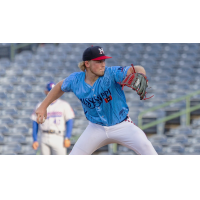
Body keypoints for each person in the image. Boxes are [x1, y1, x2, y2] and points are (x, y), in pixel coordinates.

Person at [35, 46, 158, 155]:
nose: (103, 64)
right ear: (87, 64)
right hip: (96, 128)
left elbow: (135, 69)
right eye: (98, 61)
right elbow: (59, 87)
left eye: (103, 60)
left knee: (148, 149)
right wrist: (43, 106)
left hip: (122, 125)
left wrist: (141, 74)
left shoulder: (111, 73)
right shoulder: (75, 80)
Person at [31, 82, 75, 155]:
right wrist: (35, 140)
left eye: (53, 91)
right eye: (49, 91)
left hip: (58, 136)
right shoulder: (39, 105)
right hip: (44, 136)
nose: (52, 93)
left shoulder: (64, 105)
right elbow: (35, 123)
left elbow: (69, 121)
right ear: (46, 91)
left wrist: (67, 137)